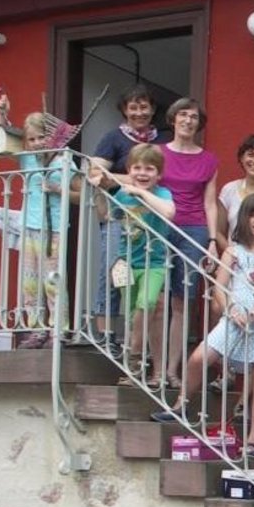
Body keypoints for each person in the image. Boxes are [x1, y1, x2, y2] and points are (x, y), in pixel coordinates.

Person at [152, 194, 254, 458]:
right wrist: (230, 309)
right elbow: (219, 286)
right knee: (198, 358)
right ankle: (180, 406)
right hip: (236, 317)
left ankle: (252, 441)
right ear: (245, 218)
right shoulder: (232, 250)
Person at [89, 83, 170, 353]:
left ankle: (134, 344)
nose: (139, 112)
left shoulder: (161, 140)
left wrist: (121, 181)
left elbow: (165, 179)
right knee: (114, 274)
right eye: (133, 107)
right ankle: (106, 335)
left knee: (143, 290)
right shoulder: (114, 138)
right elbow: (95, 175)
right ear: (124, 110)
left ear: (152, 109)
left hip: (150, 221)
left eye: (144, 106)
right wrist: (133, 183)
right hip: (118, 218)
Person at [86, 145, 175, 386]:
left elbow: (169, 212)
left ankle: (134, 361)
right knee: (134, 313)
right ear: (128, 170)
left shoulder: (162, 193)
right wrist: (99, 190)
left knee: (145, 303)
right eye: (137, 168)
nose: (143, 173)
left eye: (149, 169)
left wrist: (139, 191)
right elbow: (105, 215)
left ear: (159, 174)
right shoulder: (121, 195)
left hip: (153, 263)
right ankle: (141, 367)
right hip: (123, 264)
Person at [0, 93, 72, 348]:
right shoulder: (26, 158)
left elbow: (82, 194)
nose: (37, 143)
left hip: (55, 228)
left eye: (42, 137)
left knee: (53, 281)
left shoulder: (63, 161)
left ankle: (57, 330)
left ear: (51, 137)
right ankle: (36, 328)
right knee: (29, 280)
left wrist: (58, 189)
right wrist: (3, 113)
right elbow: (0, 146)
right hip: (30, 224)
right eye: (32, 139)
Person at [161, 97, 220, 388]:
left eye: (194, 117)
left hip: (193, 231)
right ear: (173, 119)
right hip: (159, 228)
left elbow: (210, 204)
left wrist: (211, 240)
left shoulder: (208, 160)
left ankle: (173, 370)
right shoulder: (158, 153)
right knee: (156, 300)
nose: (188, 120)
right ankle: (156, 367)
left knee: (182, 302)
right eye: (183, 115)